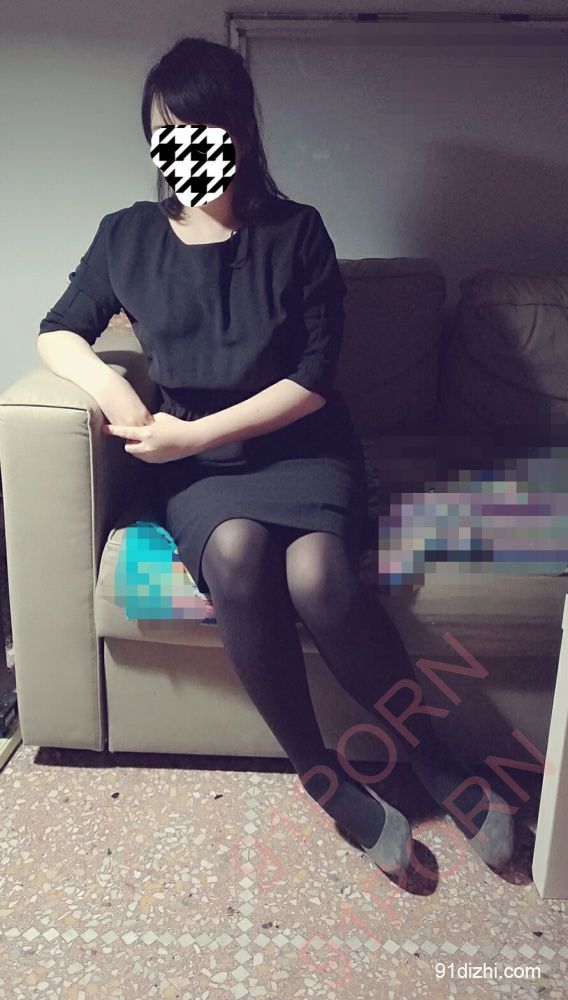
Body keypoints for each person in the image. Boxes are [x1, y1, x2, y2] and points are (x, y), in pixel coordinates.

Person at [37, 35, 514, 877]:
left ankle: (434, 758)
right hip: (198, 470)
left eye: (200, 128)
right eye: (165, 131)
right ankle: (320, 773)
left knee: (320, 577)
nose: (182, 147)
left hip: (299, 445)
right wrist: (115, 391)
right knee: (235, 551)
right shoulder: (127, 236)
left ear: (240, 133)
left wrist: (191, 435)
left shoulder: (297, 232)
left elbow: (314, 379)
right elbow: (58, 331)